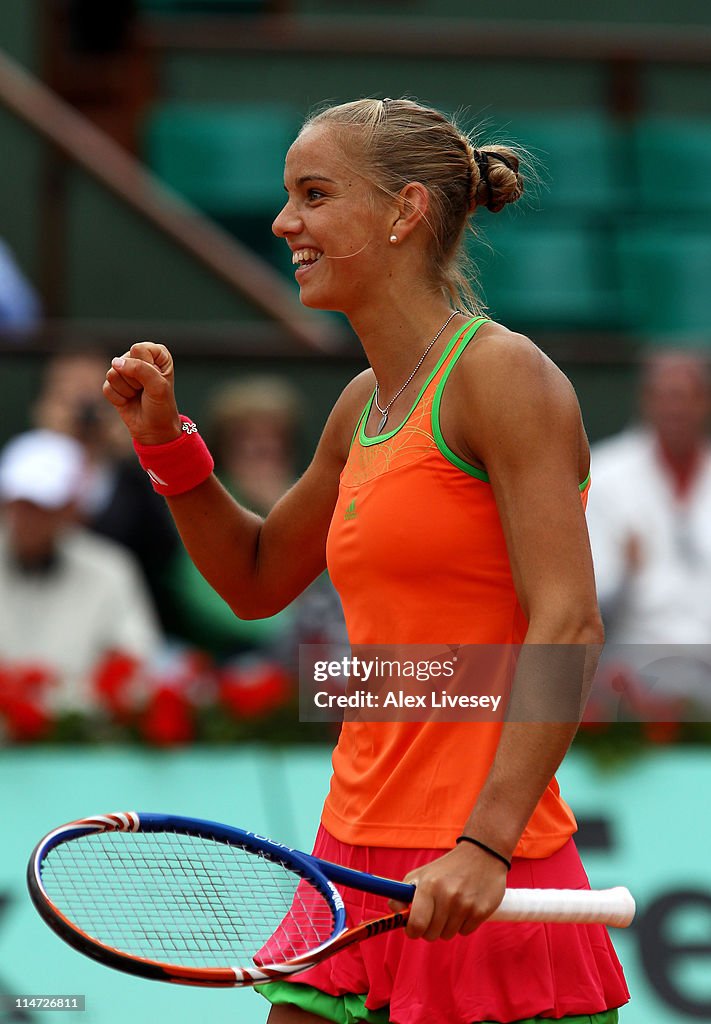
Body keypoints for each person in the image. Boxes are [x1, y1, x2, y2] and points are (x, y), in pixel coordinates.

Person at [103, 98, 628, 1024]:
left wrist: (487, 845)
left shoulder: (503, 378)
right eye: (285, 196)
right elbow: (257, 577)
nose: (282, 222)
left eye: (313, 194)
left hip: (480, 862)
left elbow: (568, 622)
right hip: (351, 851)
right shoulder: (362, 404)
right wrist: (169, 446)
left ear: (403, 212)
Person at [0, 428, 162, 712]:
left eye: (43, 505)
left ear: (72, 507)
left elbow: (135, 660)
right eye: (21, 503)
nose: (28, 516)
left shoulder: (112, 569)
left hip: (84, 738)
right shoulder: (112, 566)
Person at [33, 347, 180, 629]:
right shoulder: (21, 470)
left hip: (125, 622)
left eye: (94, 395)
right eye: (66, 395)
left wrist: (136, 451)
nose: (83, 410)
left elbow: (167, 549)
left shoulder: (134, 477)